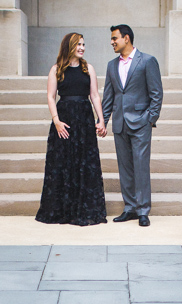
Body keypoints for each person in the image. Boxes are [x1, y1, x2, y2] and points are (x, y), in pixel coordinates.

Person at [35, 33, 108, 226]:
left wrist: (100, 120)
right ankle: (63, 210)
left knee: (84, 163)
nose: (82, 48)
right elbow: (51, 96)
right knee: (63, 163)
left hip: (84, 120)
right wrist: (56, 121)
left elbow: (95, 96)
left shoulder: (88, 68)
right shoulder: (56, 69)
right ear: (70, 46)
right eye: (79, 44)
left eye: (84, 44)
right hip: (64, 120)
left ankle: (83, 209)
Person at [100, 24, 163, 227]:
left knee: (141, 167)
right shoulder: (111, 65)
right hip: (120, 123)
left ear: (126, 38)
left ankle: (143, 210)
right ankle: (130, 208)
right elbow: (108, 97)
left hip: (140, 123)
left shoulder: (147, 61)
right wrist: (103, 120)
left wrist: (150, 119)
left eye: (114, 38)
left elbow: (156, 93)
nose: (112, 42)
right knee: (125, 168)